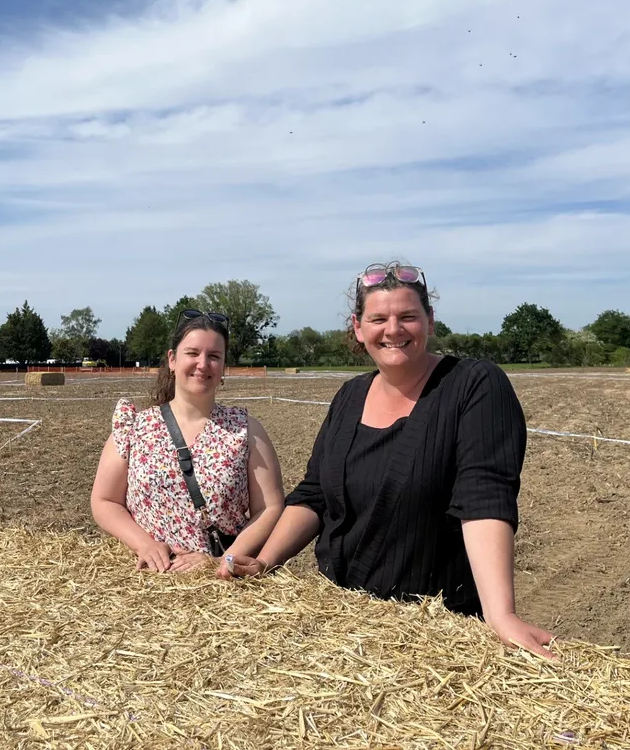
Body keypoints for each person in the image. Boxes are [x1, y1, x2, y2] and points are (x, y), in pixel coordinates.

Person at [226, 263, 557, 659]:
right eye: (378, 318)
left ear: (430, 321)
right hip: (343, 625)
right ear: (358, 326)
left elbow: (483, 498)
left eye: (408, 317)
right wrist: (265, 561)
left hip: (434, 630)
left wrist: (500, 614)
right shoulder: (349, 396)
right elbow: (315, 495)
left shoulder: (474, 385)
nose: (393, 330)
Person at [91, 309, 285, 574]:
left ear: (223, 367)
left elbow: (269, 508)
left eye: (214, 356)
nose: (203, 364)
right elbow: (104, 501)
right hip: (146, 581)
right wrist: (144, 545)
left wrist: (223, 561)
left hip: (218, 586)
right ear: (172, 360)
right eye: (192, 353)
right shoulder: (134, 428)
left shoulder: (246, 430)